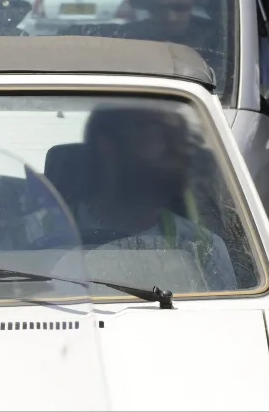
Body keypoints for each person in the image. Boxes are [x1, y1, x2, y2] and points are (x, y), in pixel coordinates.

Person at [75, 103, 238, 291]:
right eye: (154, 134)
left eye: (177, 142)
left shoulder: (203, 247)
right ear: (106, 146)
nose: (174, 154)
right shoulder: (48, 230)